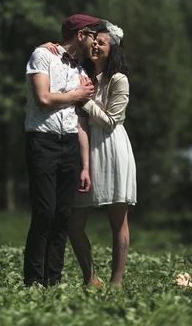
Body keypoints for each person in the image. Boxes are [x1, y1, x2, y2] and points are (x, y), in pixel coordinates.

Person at [41, 20, 136, 287]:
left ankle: (116, 282)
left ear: (112, 50)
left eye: (101, 43)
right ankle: (90, 277)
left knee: (117, 221)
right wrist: (48, 46)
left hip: (113, 148)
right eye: (94, 41)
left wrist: (85, 100)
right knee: (74, 222)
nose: (94, 45)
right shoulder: (83, 75)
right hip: (85, 148)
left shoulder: (119, 80)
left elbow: (110, 121)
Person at [23, 14, 100, 287]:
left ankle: (52, 281)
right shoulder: (42, 56)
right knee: (44, 212)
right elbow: (43, 99)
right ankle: (33, 282)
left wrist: (85, 166)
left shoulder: (81, 72)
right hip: (42, 141)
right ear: (80, 35)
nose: (96, 40)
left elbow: (79, 124)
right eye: (93, 34)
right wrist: (75, 96)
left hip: (69, 144)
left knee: (62, 217)